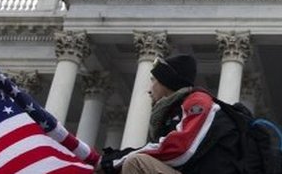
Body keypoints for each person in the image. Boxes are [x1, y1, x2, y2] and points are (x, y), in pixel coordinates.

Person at [99, 52, 256, 174]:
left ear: (167, 82)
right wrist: (112, 159)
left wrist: (112, 162)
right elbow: (160, 147)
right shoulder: (175, 111)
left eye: (153, 80)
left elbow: (181, 149)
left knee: (136, 163)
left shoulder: (198, 102)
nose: (149, 89)